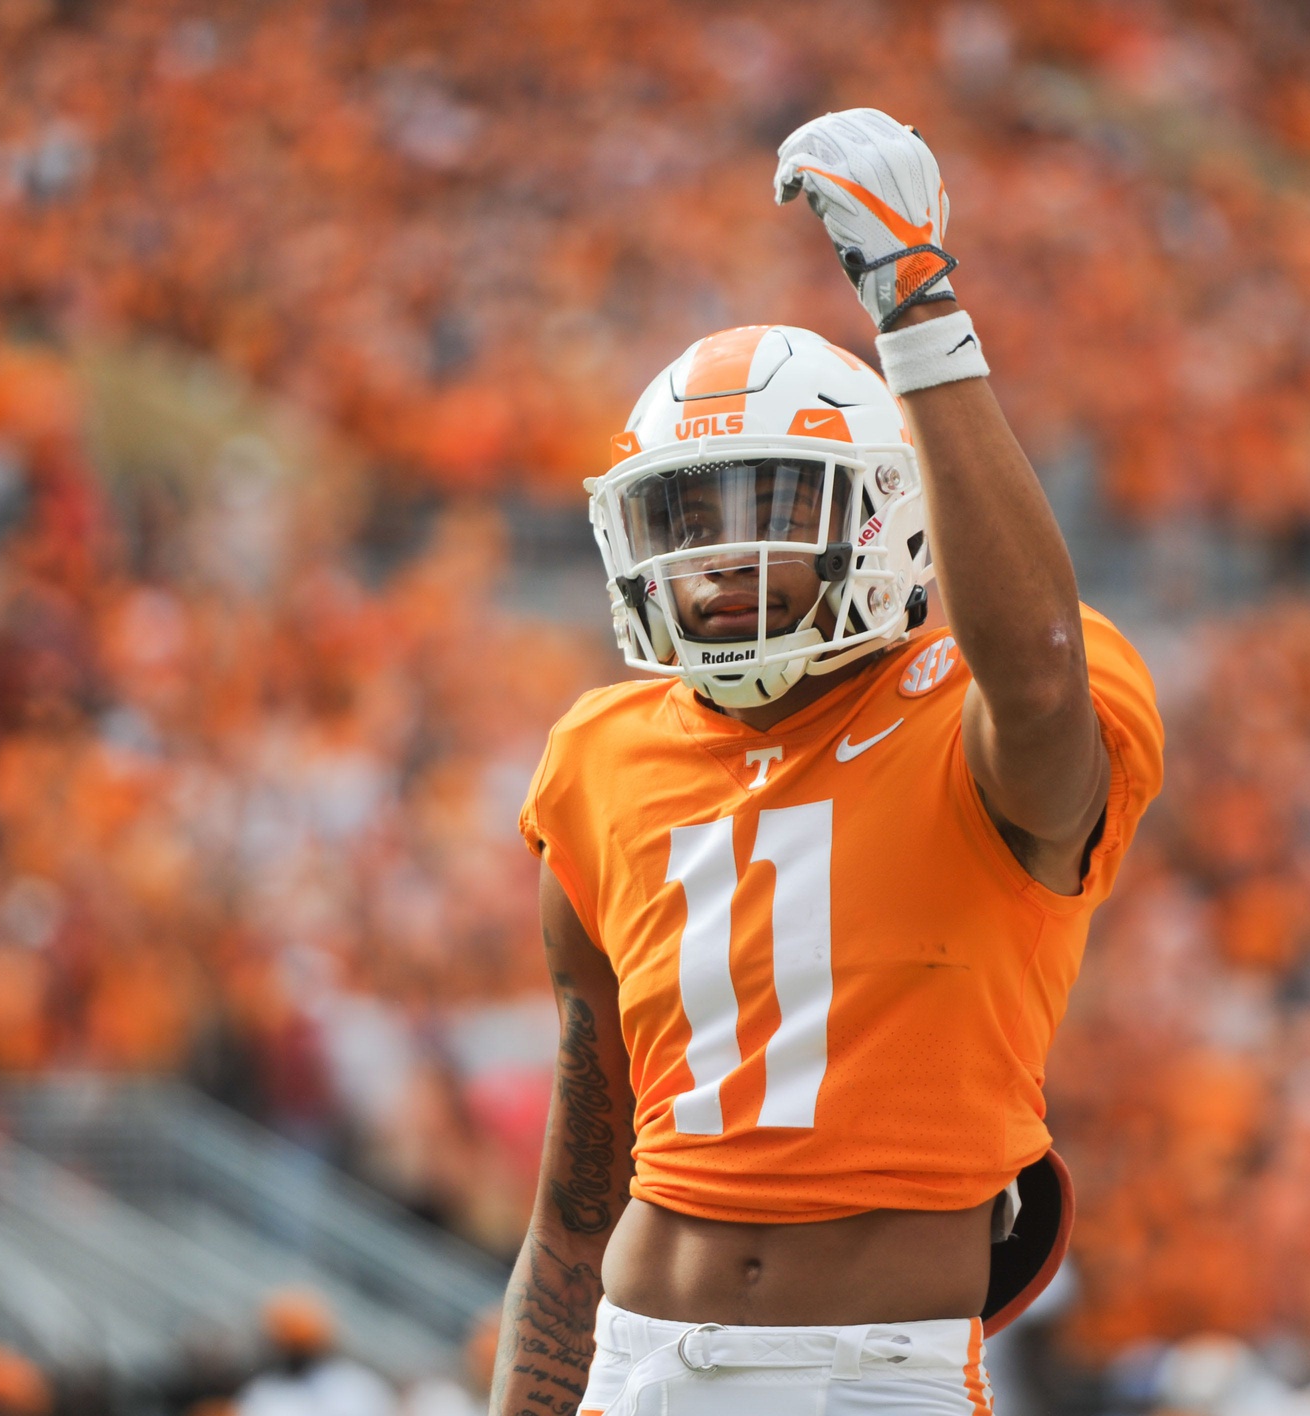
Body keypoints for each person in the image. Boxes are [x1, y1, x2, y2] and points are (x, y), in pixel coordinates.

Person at [489, 110, 1165, 1416]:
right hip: (638, 1362)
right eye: (683, 520)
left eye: (772, 510)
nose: (717, 564)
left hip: (877, 1377)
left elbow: (1032, 679)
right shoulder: (599, 757)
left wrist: (919, 315)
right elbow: (575, 1208)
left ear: (884, 513)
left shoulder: (975, 702)